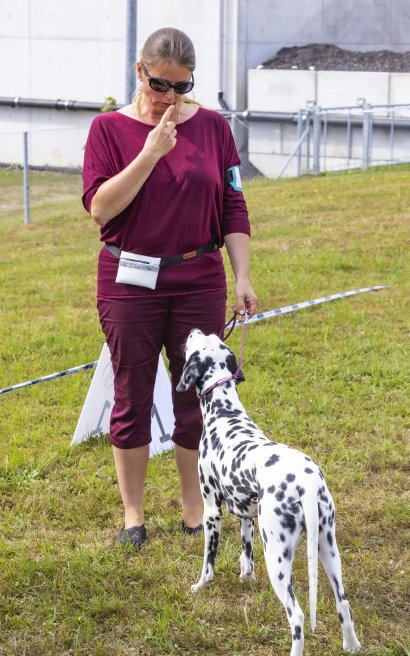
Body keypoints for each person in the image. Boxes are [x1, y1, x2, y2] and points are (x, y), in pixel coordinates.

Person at [82, 26, 258, 547]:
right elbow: (100, 208)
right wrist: (151, 152)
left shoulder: (213, 127)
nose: (169, 97)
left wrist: (242, 275)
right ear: (140, 72)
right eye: (160, 84)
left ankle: (194, 507)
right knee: (132, 394)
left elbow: (233, 205)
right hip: (128, 281)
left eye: (182, 87)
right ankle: (133, 516)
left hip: (198, 279)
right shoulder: (108, 129)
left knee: (199, 396)